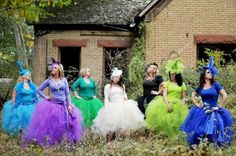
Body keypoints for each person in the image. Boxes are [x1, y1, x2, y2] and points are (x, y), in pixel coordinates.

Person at [23, 58, 84, 146]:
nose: (53, 69)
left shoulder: (64, 80)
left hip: (64, 104)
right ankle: (53, 142)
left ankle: (71, 140)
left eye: (55, 68)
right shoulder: (49, 81)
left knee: (70, 122)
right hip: (53, 105)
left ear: (59, 70)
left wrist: (70, 105)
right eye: (52, 68)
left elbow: (67, 94)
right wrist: (46, 97)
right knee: (53, 125)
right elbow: (39, 90)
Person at [180, 57, 233, 148]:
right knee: (199, 130)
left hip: (214, 110)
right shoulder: (201, 86)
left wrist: (219, 107)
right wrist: (196, 103)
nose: (210, 73)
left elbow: (225, 96)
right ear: (204, 75)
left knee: (213, 130)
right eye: (208, 72)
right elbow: (193, 94)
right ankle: (199, 147)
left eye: (211, 72)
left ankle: (211, 147)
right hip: (202, 111)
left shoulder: (215, 84)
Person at [92, 68, 145, 141]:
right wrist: (106, 107)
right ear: (112, 77)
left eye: (118, 77)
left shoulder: (122, 86)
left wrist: (125, 97)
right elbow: (106, 98)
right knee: (111, 124)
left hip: (123, 105)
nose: (117, 79)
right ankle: (109, 140)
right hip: (113, 105)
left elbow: (124, 94)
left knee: (122, 123)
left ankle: (119, 139)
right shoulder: (108, 86)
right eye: (115, 77)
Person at [145, 58, 188, 137]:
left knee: (176, 123)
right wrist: (167, 104)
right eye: (170, 74)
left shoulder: (182, 85)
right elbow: (164, 95)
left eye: (173, 74)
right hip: (166, 102)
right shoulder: (167, 83)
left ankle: (175, 138)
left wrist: (183, 104)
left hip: (177, 104)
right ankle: (163, 138)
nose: (171, 76)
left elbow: (184, 97)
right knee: (165, 121)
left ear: (177, 75)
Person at [1, 61, 38, 136]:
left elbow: (37, 91)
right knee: (20, 121)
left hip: (31, 105)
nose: (29, 75)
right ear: (23, 76)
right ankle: (21, 134)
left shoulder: (32, 85)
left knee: (32, 121)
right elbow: (14, 96)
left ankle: (31, 134)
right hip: (21, 106)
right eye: (27, 74)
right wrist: (14, 106)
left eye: (29, 74)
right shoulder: (18, 85)